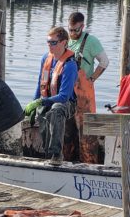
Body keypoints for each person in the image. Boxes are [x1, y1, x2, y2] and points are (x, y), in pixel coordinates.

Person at [24, 26, 77, 166]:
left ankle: (56, 155)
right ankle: (47, 154)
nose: (50, 45)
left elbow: (64, 96)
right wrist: (34, 103)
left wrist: (41, 101)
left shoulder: (70, 65)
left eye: (53, 42)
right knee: (42, 117)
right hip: (47, 100)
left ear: (64, 42)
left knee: (56, 109)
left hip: (67, 104)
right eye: (48, 42)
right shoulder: (45, 59)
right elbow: (40, 84)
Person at [65, 12, 109, 164]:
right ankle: (67, 163)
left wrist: (91, 79)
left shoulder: (91, 41)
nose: (72, 33)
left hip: (84, 94)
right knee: (67, 132)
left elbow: (104, 61)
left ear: (82, 27)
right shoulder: (66, 41)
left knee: (87, 135)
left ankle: (89, 166)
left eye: (76, 30)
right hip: (68, 93)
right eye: (70, 30)